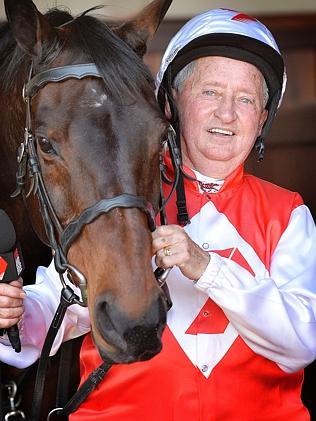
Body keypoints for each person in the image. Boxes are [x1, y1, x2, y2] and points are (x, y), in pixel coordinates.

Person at [1, 8, 316, 421]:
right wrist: (13, 316)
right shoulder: (126, 199)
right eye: (211, 92)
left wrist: (205, 267)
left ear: (262, 119)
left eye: (246, 99)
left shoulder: (288, 214)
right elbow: (55, 306)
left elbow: (301, 342)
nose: (227, 113)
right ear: (170, 103)